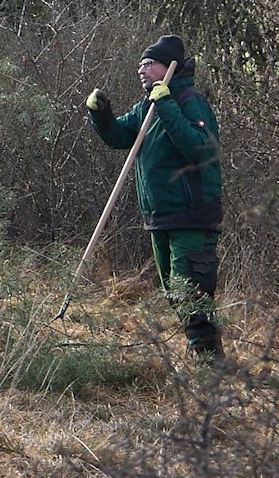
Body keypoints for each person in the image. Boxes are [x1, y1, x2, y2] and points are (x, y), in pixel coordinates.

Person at [84, 33, 224, 360]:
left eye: (148, 64)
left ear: (170, 68)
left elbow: (200, 148)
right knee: (175, 295)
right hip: (159, 217)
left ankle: (210, 364)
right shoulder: (147, 106)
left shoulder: (189, 101)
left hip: (192, 215)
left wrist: (166, 104)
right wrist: (101, 114)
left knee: (190, 292)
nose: (141, 70)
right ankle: (204, 357)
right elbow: (120, 136)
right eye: (140, 65)